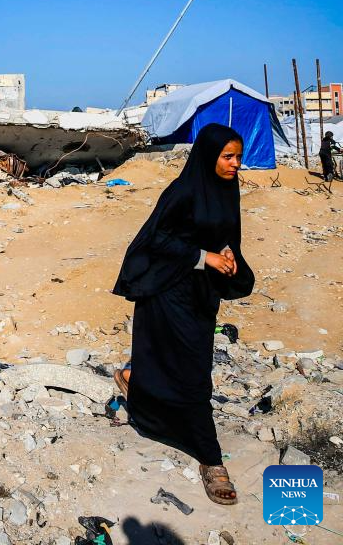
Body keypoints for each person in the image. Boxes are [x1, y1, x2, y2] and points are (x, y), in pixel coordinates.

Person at [112, 123, 254, 506]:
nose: (235, 164)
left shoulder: (227, 188)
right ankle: (212, 461)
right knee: (194, 374)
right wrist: (204, 257)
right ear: (209, 156)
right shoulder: (183, 190)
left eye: (238, 157)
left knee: (182, 361)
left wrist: (228, 254)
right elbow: (156, 238)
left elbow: (225, 233)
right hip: (168, 290)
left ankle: (134, 380)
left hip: (202, 293)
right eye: (228, 157)